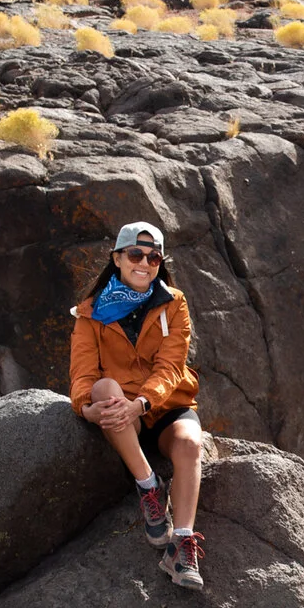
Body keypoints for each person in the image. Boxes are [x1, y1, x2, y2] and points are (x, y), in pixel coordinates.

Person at [68, 221, 209, 589]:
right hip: (119, 414)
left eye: (153, 256)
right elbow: (82, 376)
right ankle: (149, 486)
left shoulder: (174, 304)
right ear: (117, 258)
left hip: (164, 405)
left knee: (190, 444)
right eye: (135, 254)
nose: (144, 262)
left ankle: (181, 545)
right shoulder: (89, 314)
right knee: (105, 386)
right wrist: (85, 408)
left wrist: (143, 402)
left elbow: (171, 367)